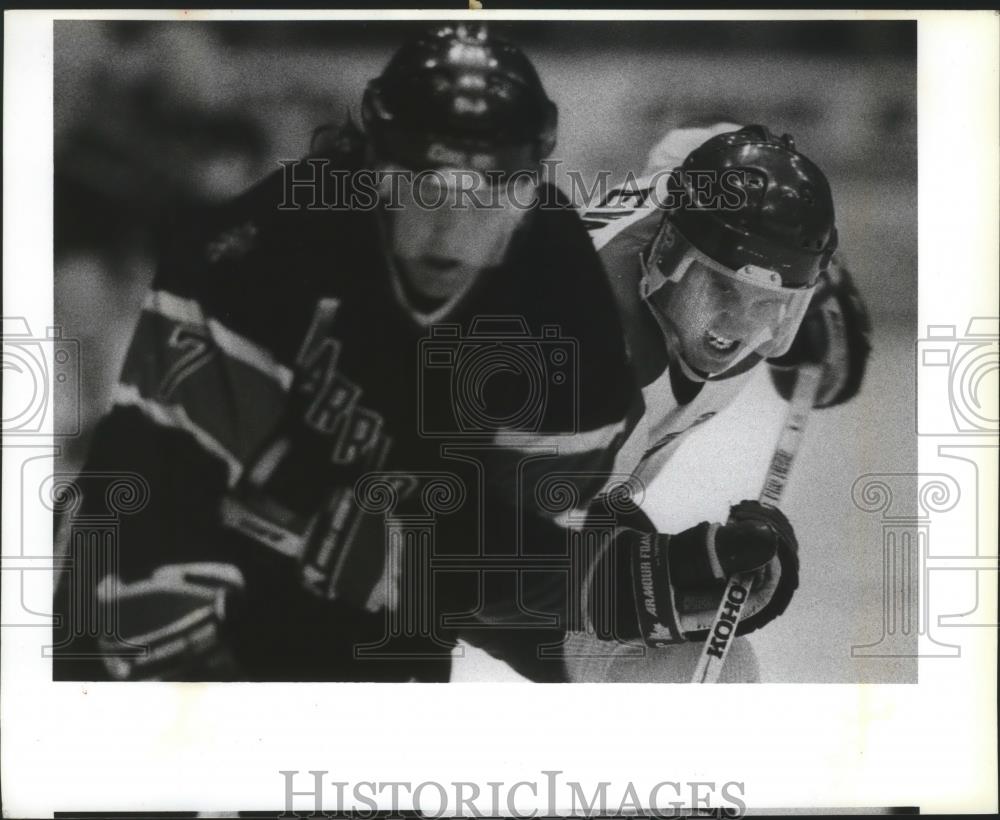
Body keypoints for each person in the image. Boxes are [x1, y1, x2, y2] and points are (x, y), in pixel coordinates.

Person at [52, 24, 642, 681]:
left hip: (359, 627)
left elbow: (509, 583)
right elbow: (141, 538)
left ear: (530, 188)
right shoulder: (265, 250)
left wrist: (636, 585)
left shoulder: (559, 291)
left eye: (488, 194)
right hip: (170, 617)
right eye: (423, 186)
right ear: (373, 168)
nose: (449, 227)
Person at [470, 124, 872, 682]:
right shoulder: (574, 352)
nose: (737, 329)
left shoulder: (705, 191)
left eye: (770, 304)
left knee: (711, 669)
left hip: (572, 498)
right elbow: (461, 559)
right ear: (665, 253)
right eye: (722, 290)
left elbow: (705, 144)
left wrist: (823, 278)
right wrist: (659, 577)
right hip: (437, 523)